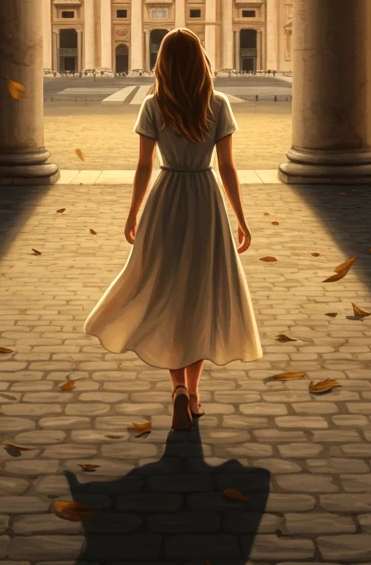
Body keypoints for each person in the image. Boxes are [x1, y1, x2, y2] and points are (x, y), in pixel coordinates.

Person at [84, 28, 262, 431]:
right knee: (199, 294)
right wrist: (241, 218)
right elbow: (227, 168)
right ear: (201, 61)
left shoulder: (153, 105)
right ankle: (194, 394)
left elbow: (144, 166)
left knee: (167, 290)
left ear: (162, 63)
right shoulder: (218, 104)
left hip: (166, 197)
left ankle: (177, 387)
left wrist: (133, 212)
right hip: (205, 198)